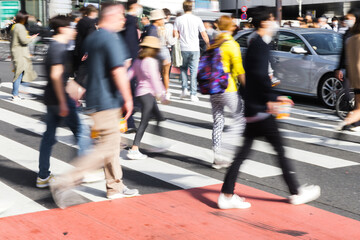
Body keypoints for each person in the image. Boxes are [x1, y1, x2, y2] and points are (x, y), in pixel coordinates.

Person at [217, 7, 321, 210]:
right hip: (262, 110)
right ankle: (296, 192)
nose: (275, 23)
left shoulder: (256, 42)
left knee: (244, 153)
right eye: (273, 19)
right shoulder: (259, 45)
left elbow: (256, 77)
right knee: (279, 151)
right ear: (264, 22)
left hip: (254, 109)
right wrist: (274, 96)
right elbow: (259, 77)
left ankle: (227, 194)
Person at [50, 4, 138, 208]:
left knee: (112, 145)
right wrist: (128, 98)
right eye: (122, 16)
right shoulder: (110, 38)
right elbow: (118, 71)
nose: (123, 20)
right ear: (112, 16)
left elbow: (88, 66)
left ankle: (115, 186)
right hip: (108, 101)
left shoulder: (93, 37)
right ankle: (65, 182)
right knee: (105, 147)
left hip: (95, 99)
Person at [36, 15, 91, 188]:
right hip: (59, 99)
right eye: (70, 28)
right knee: (81, 133)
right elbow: (55, 76)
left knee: (49, 137)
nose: (73, 31)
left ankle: (43, 175)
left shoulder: (54, 47)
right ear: (62, 29)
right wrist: (62, 101)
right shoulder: (58, 48)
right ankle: (82, 172)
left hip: (51, 98)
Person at [208, 15, 246, 169]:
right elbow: (238, 69)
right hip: (227, 88)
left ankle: (217, 154)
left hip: (213, 88)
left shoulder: (214, 43)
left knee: (218, 121)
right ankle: (225, 152)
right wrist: (247, 86)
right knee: (240, 119)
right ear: (230, 27)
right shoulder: (231, 44)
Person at [127, 36, 168, 160]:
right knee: (144, 122)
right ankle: (134, 149)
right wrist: (162, 95)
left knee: (159, 118)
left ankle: (158, 145)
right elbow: (155, 79)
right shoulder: (150, 61)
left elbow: (129, 75)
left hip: (140, 93)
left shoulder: (138, 60)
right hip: (148, 95)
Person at [174, 0, 210, 102]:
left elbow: (175, 35)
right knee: (194, 71)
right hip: (194, 48)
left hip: (183, 47)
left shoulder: (178, 19)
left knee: (183, 69)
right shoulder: (197, 19)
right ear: (192, 7)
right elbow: (203, 34)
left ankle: (184, 89)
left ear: (183, 7)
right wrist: (208, 45)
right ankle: (193, 94)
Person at [121, 0, 143, 134]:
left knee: (129, 90)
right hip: (129, 62)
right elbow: (129, 41)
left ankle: (128, 120)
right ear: (134, 6)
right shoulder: (130, 20)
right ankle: (128, 122)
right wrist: (129, 58)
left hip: (130, 60)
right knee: (128, 90)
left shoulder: (129, 20)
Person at [337, 13, 360, 131]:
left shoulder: (350, 38)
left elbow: (346, 55)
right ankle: (350, 121)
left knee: (358, 104)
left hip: (354, 75)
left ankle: (352, 122)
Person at [10, 10, 38, 101]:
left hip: (16, 52)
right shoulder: (20, 27)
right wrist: (32, 38)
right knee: (19, 74)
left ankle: (17, 93)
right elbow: (24, 41)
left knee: (20, 73)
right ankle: (15, 94)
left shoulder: (14, 26)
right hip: (20, 53)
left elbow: (18, 39)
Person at [163, 8, 177, 100]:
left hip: (153, 50)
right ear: (168, 16)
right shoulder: (169, 26)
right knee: (165, 74)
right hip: (164, 50)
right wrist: (176, 37)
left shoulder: (154, 24)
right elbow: (171, 42)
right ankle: (166, 92)